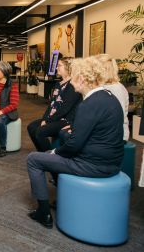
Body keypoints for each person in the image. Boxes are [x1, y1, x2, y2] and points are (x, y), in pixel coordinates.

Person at [26, 56, 124, 229]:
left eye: (75, 76)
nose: (71, 82)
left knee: (34, 159)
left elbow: (74, 146)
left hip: (93, 165)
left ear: (83, 79)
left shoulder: (89, 104)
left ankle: (43, 213)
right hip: (111, 162)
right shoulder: (109, 97)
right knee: (54, 149)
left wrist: (54, 152)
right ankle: (62, 196)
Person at [27, 58, 81, 152]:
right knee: (31, 127)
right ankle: (42, 153)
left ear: (68, 68)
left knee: (40, 132)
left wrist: (48, 121)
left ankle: (49, 156)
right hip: (53, 118)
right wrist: (45, 119)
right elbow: (51, 105)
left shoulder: (73, 85)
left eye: (59, 65)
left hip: (65, 120)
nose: (56, 68)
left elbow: (65, 109)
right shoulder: (58, 84)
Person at [95, 54, 129, 141]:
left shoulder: (117, 89)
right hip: (103, 132)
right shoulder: (101, 86)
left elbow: (117, 117)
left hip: (114, 136)